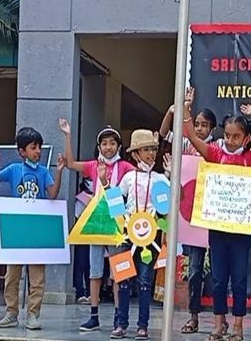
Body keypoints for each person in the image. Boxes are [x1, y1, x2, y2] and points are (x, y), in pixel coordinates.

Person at [183, 92, 251, 341]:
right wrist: (187, 108)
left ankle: (238, 326)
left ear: (246, 138)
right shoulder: (215, 154)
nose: (231, 140)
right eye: (227, 135)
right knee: (218, 278)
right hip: (217, 229)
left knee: (239, 279)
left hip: (241, 231)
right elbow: (192, 136)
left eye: (236, 136)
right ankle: (217, 325)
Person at [159, 89, 227, 335]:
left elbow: (244, 142)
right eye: (196, 124)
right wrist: (174, 110)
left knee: (220, 272)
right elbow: (163, 134)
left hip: (215, 215)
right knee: (195, 269)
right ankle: (193, 316)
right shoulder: (185, 143)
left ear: (213, 129)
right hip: (192, 218)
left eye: (204, 125)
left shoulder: (220, 146)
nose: (199, 128)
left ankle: (221, 319)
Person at [59, 119, 135, 332]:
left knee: (119, 273)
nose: (108, 147)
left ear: (119, 146)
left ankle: (119, 317)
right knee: (95, 272)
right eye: (104, 143)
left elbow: (136, 185)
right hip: (96, 224)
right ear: (99, 146)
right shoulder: (94, 165)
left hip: (117, 224)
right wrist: (67, 135)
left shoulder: (126, 167)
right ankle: (94, 315)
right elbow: (71, 163)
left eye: (112, 143)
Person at [0, 127, 65, 330]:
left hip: (36, 230)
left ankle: (33, 314)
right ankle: (11, 313)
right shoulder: (14, 169)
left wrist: (59, 172)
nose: (38, 151)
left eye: (39, 147)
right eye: (33, 147)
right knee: (12, 275)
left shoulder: (43, 172)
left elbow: (52, 195)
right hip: (17, 230)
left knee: (37, 277)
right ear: (22, 151)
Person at [109, 129, 169, 340]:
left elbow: (170, 205)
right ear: (135, 154)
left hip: (149, 238)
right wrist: (105, 184)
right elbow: (115, 203)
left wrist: (171, 176)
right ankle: (121, 324)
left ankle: (143, 325)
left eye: (153, 149)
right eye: (146, 150)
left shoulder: (160, 178)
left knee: (145, 281)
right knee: (123, 279)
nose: (151, 154)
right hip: (127, 235)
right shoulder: (128, 177)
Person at [73, 178, 93, 305]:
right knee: (80, 264)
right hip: (81, 236)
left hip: (94, 236)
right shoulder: (81, 198)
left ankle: (91, 293)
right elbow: (76, 215)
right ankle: (80, 292)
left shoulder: (98, 195)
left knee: (90, 266)